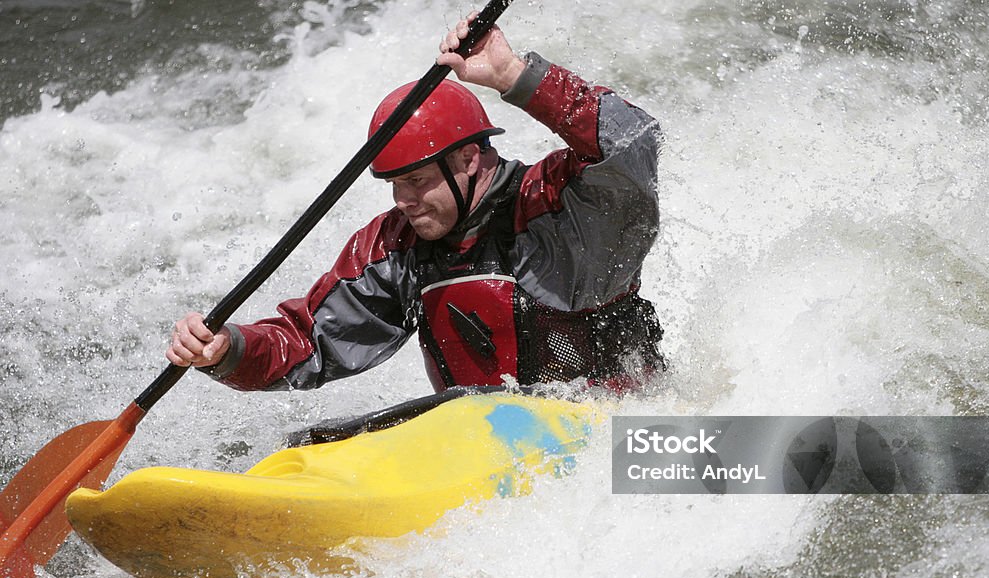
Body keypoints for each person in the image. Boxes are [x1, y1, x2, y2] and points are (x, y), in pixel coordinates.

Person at [167, 11, 665, 394]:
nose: (404, 201)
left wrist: (513, 74)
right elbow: (307, 343)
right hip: (483, 455)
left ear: (470, 159)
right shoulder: (395, 249)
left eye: (418, 181)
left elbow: (631, 141)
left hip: (617, 432)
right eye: (393, 184)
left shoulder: (557, 207)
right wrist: (227, 348)